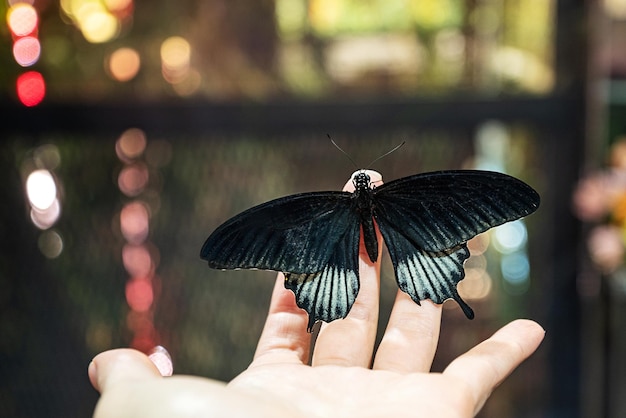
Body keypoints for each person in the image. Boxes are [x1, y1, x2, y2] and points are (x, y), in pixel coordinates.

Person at [88, 171, 545, 417]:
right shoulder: (409, 195)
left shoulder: (318, 211)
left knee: (347, 295)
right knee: (414, 288)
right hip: (414, 246)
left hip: (352, 257)